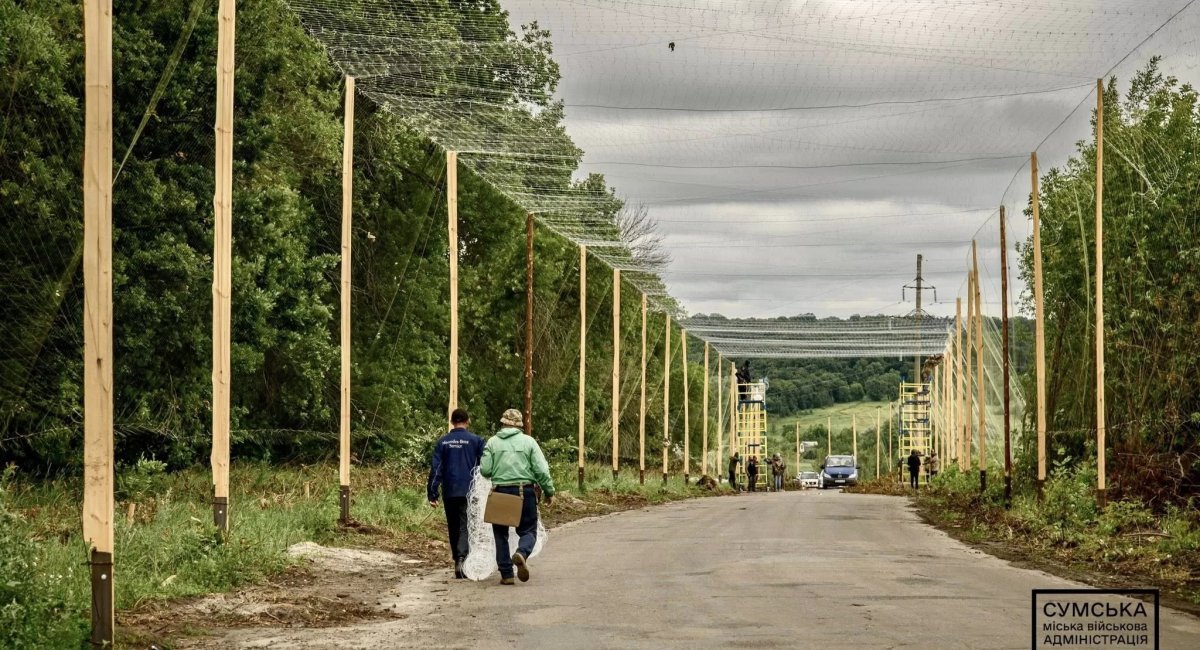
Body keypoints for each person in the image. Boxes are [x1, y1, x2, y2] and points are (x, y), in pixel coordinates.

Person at [480, 409, 555, 585]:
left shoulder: (492, 443)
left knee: (500, 533)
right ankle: (522, 552)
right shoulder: (529, 442)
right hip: (525, 491)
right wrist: (550, 491)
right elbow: (541, 470)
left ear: (503, 422)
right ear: (519, 425)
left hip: (499, 492)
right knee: (528, 530)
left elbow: (485, 470)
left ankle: (506, 574)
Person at [427, 408, 484, 579]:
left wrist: (432, 493)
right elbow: (485, 466)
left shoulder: (443, 442)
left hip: (450, 490)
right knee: (465, 524)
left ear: (452, 422)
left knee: (453, 525)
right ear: (468, 421)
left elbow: (436, 469)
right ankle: (462, 559)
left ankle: (457, 559)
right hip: (470, 490)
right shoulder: (477, 441)